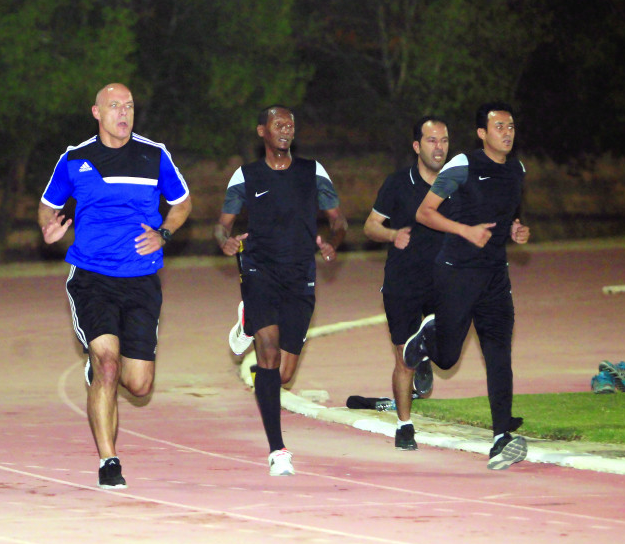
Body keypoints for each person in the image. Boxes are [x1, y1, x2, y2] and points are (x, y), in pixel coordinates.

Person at [38, 83, 192, 489]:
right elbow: (48, 205)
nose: (123, 113)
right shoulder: (75, 158)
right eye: (114, 106)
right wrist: (48, 228)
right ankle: (109, 461)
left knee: (138, 384)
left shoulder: (154, 154)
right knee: (108, 366)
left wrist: (165, 233)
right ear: (96, 112)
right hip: (92, 277)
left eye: (129, 106)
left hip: (141, 278)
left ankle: (101, 365)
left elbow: (182, 202)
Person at [214, 105, 347, 476]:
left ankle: (247, 322)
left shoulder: (313, 171)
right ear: (263, 131)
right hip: (259, 270)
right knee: (268, 356)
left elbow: (338, 219)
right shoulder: (246, 175)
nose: (286, 130)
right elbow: (221, 225)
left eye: (290, 125)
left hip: (300, 274)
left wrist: (333, 241)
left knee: (283, 375)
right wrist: (225, 241)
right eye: (278, 124)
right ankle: (277, 449)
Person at [402, 102, 531, 470]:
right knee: (446, 359)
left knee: (499, 354)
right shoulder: (462, 165)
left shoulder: (517, 170)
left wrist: (516, 229)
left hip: (494, 276)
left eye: (511, 126)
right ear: (481, 133)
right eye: (499, 126)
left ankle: (501, 437)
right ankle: (428, 338)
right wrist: (464, 231)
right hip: (456, 272)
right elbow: (425, 212)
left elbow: (507, 215)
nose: (507, 132)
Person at [363, 116, 450, 450]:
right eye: (431, 140)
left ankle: (427, 354)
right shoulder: (398, 183)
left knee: (448, 346)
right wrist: (392, 235)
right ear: (417, 146)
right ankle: (404, 426)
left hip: (443, 282)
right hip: (403, 284)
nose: (439, 147)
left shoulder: (456, 184)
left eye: (444, 140)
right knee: (404, 359)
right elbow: (370, 226)